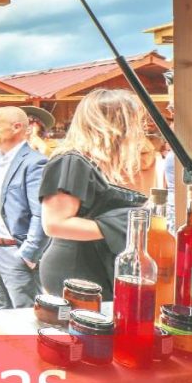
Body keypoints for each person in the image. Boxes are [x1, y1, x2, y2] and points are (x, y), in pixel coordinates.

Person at [38, 89, 147, 295]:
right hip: (77, 269)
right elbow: (55, 224)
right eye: (135, 121)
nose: (140, 128)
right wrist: (123, 224)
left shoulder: (91, 163)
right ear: (117, 123)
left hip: (92, 264)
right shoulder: (71, 161)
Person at [0, 107, 49, 309]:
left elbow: (41, 213)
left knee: (24, 315)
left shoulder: (35, 162)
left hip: (15, 251)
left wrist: (29, 254)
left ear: (17, 127)